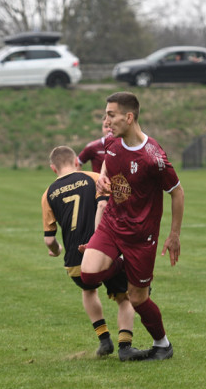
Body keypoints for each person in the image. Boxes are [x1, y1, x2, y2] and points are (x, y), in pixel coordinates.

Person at [79, 92, 185, 362]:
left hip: (141, 236)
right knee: (88, 274)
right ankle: (123, 266)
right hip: (112, 225)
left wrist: (174, 236)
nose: (106, 120)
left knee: (138, 299)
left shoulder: (154, 157)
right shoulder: (113, 145)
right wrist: (103, 180)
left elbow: (177, 192)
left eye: (110, 115)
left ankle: (162, 344)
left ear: (129, 117)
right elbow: (108, 170)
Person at [42, 145, 136, 357]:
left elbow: (49, 240)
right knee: (124, 297)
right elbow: (113, 205)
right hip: (104, 252)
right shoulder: (94, 178)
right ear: (76, 161)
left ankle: (104, 340)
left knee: (89, 290)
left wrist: (57, 250)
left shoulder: (48, 194)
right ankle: (125, 345)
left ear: (53, 169)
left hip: (75, 259)